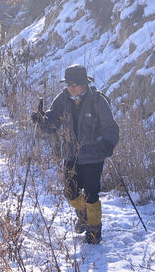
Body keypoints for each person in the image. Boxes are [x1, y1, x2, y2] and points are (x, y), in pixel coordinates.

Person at [31, 64, 119, 244]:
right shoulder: (63, 99)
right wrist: (41, 121)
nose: (70, 87)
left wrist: (108, 143)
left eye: (74, 84)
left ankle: (94, 231)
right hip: (71, 155)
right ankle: (84, 215)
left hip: (94, 155)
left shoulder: (97, 101)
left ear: (85, 84)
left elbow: (111, 127)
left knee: (92, 194)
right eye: (68, 84)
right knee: (70, 192)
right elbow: (52, 123)